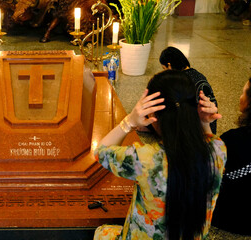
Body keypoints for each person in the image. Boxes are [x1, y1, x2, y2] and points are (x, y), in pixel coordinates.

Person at [94, 70, 226, 240]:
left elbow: (101, 152)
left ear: (154, 116)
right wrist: (203, 122)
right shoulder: (218, 150)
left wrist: (130, 121)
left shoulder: (145, 158)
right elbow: (208, 140)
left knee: (101, 232)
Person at [211, 77, 251, 236]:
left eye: (243, 93)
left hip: (228, 219)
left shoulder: (233, 140)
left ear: (249, 103)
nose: (240, 97)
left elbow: (205, 166)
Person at [159, 46, 218, 134]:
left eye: (164, 69)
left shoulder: (180, 80)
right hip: (210, 130)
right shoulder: (198, 75)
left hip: (194, 133)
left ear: (169, 65)